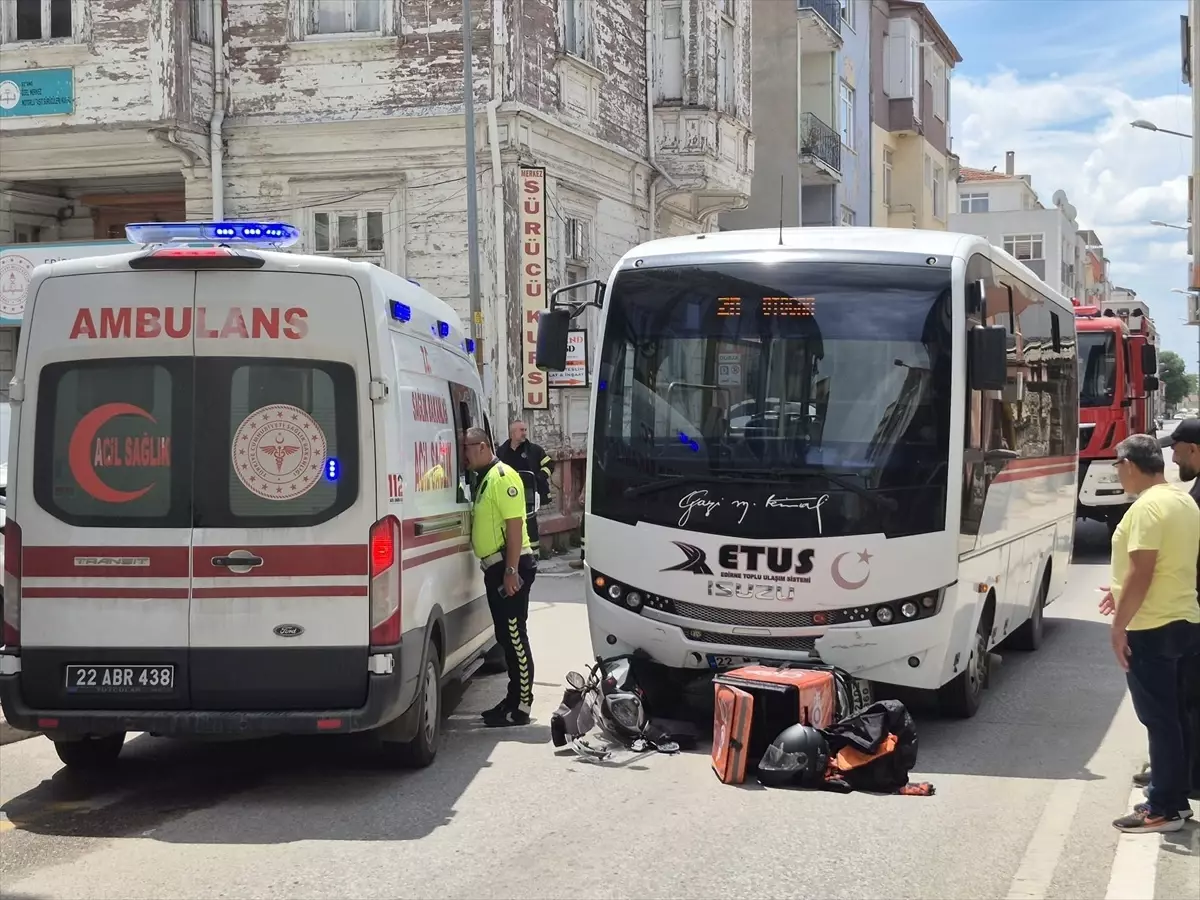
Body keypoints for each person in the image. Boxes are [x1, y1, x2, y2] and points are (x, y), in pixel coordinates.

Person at [1098, 433, 1200, 833]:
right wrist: (1119, 590)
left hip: (1151, 626)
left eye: (1117, 466)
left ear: (1128, 464)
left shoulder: (1145, 510)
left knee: (1159, 720)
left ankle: (1163, 808)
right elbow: (1176, 566)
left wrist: (1119, 627)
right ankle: (1175, 799)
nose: (1118, 474)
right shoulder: (1183, 501)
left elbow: (1143, 571)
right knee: (1175, 717)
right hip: (1184, 619)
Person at [1129, 418, 1200, 805]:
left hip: (1171, 616)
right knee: (1180, 707)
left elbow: (1150, 567)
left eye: (1178, 448)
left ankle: (1173, 791)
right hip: (1186, 610)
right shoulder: (1187, 497)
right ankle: (1178, 778)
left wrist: (1118, 624)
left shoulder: (1167, 503)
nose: (1173, 456)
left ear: (1194, 449)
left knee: (1170, 711)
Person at [463, 426, 538, 727]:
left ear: (481, 446)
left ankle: (521, 706)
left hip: (511, 566)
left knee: (515, 637)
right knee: (506, 638)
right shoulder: (485, 479)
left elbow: (514, 526)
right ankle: (511, 698)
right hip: (496, 568)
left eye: (467, 448)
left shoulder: (503, 477)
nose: (464, 455)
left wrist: (510, 571)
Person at [497, 420, 554, 545]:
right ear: (512, 433)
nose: (524, 433)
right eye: (521, 430)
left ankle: (534, 556)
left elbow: (549, 465)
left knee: (530, 525)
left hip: (529, 495)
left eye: (525, 430)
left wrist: (539, 477)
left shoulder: (534, 450)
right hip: (508, 495)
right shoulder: (501, 452)